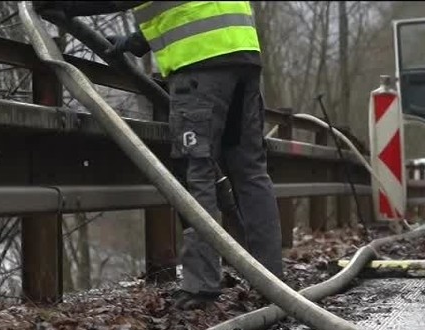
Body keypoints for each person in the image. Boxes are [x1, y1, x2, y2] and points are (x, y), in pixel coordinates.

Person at [33, 1, 285, 310]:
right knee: (251, 172)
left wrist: (66, 6)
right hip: (242, 55)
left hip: (199, 62)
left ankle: (202, 284)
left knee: (196, 169)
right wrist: (135, 41)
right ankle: (273, 282)